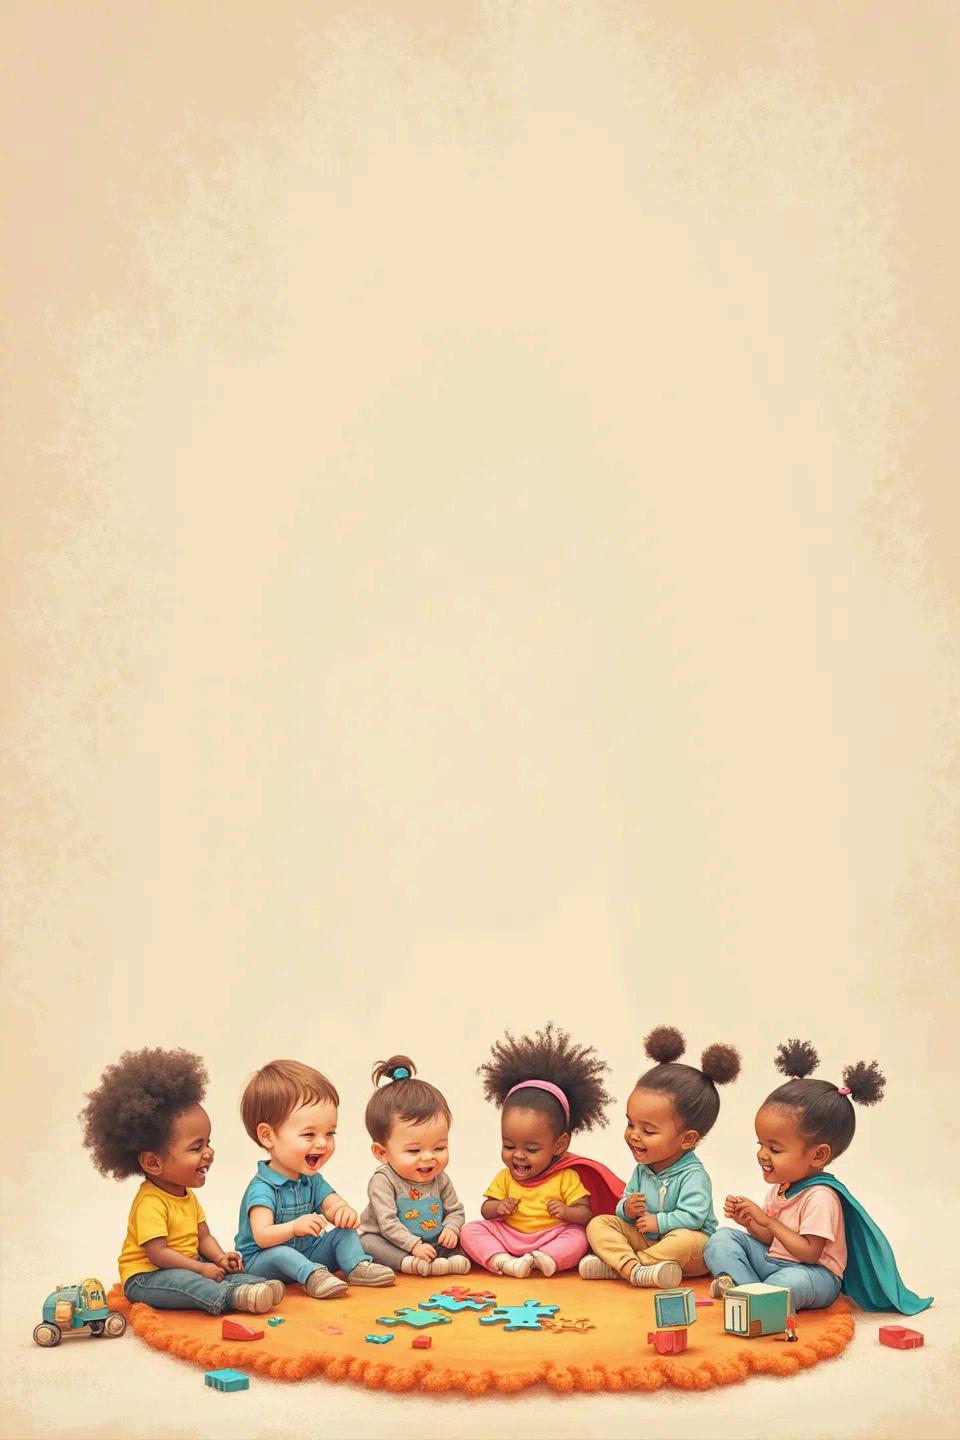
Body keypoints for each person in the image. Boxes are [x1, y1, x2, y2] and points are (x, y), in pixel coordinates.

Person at [80, 1046, 280, 1315]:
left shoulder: (186, 1195)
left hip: (186, 1263)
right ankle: (234, 1297)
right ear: (153, 1162)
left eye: (208, 1143)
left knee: (220, 1272)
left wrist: (219, 1257)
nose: (209, 1153)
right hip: (148, 1276)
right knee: (190, 1282)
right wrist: (200, 1267)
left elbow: (203, 1236)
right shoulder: (150, 1203)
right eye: (196, 1147)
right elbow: (158, 1254)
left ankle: (252, 1287)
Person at [580, 1024, 740, 1288]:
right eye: (630, 1124)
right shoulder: (643, 1169)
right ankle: (633, 1268)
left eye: (648, 1131)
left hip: (688, 1251)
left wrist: (659, 1221)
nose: (634, 1135)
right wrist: (627, 1208)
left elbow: (694, 1217)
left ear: (687, 1139)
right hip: (648, 1238)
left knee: (686, 1241)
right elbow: (624, 1206)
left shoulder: (693, 1175)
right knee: (599, 1224)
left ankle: (626, 1265)